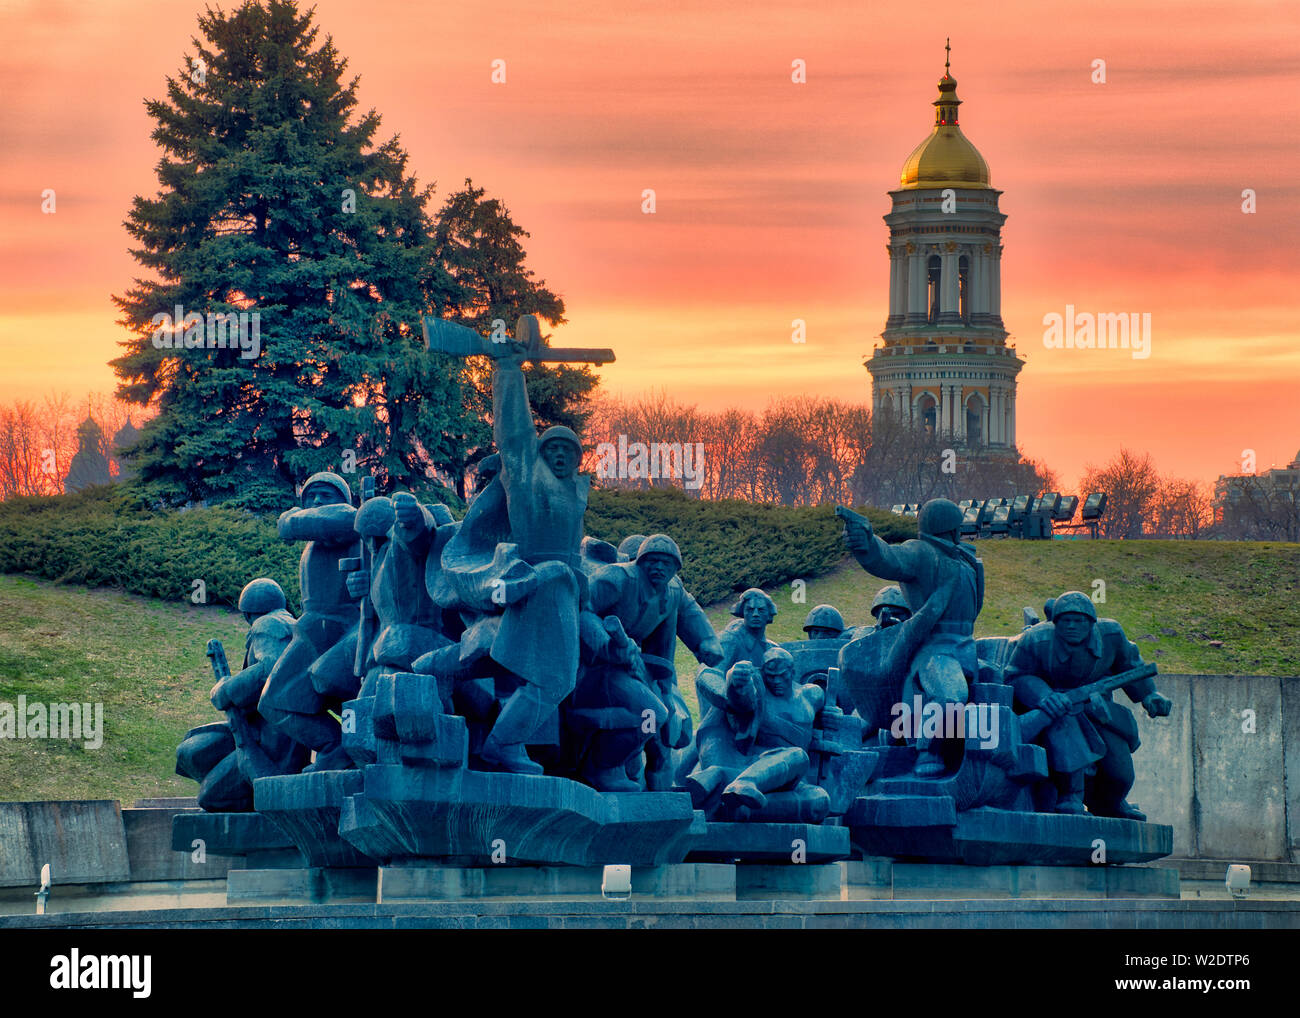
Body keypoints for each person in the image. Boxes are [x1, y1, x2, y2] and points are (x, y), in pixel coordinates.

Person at [839, 498, 983, 777]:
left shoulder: (965, 560)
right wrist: (866, 543)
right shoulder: (922, 552)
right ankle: (927, 749)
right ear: (950, 528)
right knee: (951, 697)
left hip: (967, 647)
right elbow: (889, 559)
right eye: (958, 527)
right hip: (936, 649)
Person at [1004, 591, 1172, 819]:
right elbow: (1016, 675)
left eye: (1079, 620)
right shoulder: (1037, 639)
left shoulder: (1111, 634)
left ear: (1092, 622)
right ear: (1056, 623)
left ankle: (1111, 805)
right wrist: (1044, 697)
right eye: (1066, 621)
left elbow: (1131, 666)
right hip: (1055, 708)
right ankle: (1069, 799)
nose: (1072, 626)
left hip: (1097, 709)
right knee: (1065, 742)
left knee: (1120, 773)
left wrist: (1149, 695)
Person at [583, 534, 723, 790]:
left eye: (666, 564)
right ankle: (602, 768)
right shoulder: (616, 578)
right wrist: (605, 646)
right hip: (593, 665)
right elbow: (580, 607)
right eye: (653, 561)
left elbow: (690, 612)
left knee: (661, 721)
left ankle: (622, 772)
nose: (659, 568)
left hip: (636, 668)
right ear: (640, 562)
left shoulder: (672, 589)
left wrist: (706, 642)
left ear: (675, 569)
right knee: (651, 715)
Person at [258, 472, 359, 771]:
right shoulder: (316, 538)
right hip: (313, 629)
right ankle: (335, 745)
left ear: (342, 500)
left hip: (342, 627)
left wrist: (291, 517)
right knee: (275, 701)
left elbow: (291, 525)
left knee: (335, 688)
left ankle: (351, 748)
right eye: (310, 496)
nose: (316, 501)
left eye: (325, 495)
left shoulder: (345, 521)